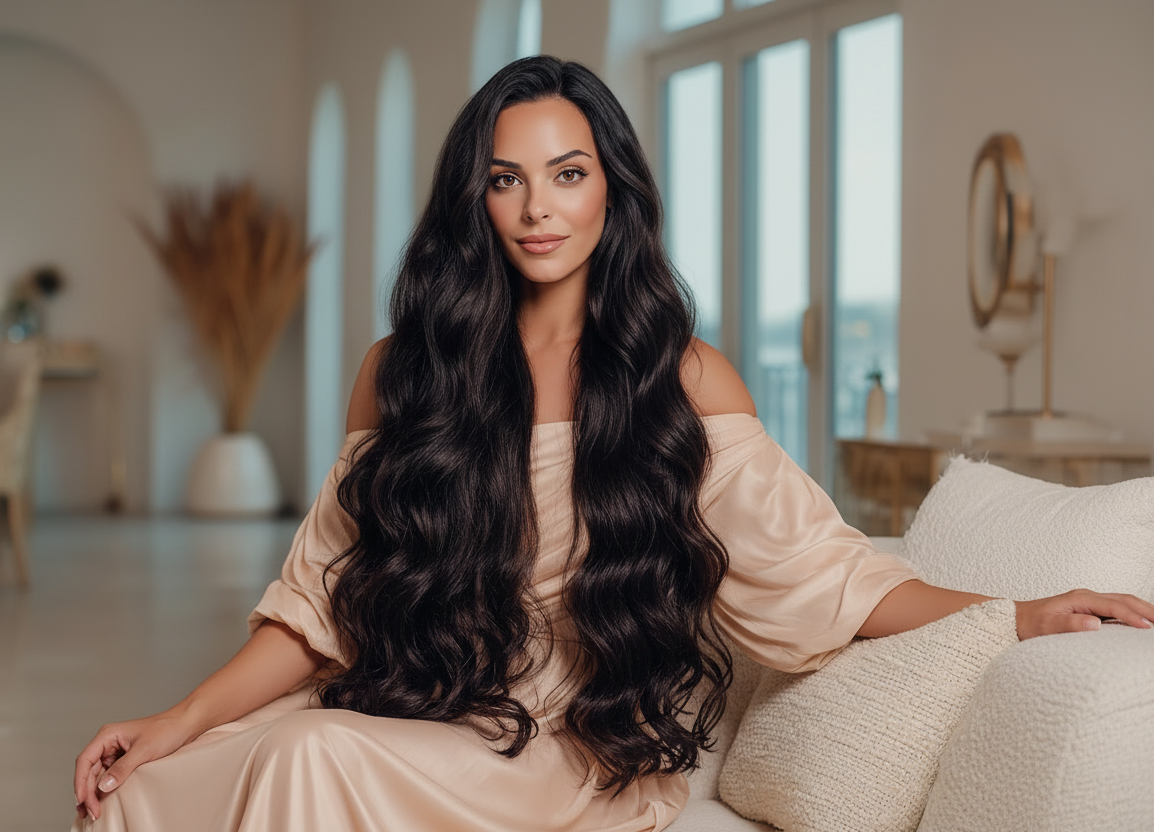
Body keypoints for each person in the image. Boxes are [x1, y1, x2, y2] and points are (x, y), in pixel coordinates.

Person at [72, 56, 1154, 832]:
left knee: (310, 756)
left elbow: (828, 577)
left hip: (561, 747)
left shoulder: (679, 378)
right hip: (412, 703)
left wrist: (1014, 611)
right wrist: (178, 718)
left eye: (568, 172)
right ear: (474, 199)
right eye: (506, 178)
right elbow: (321, 603)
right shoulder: (402, 369)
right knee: (143, 790)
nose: (536, 208)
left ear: (612, 190)